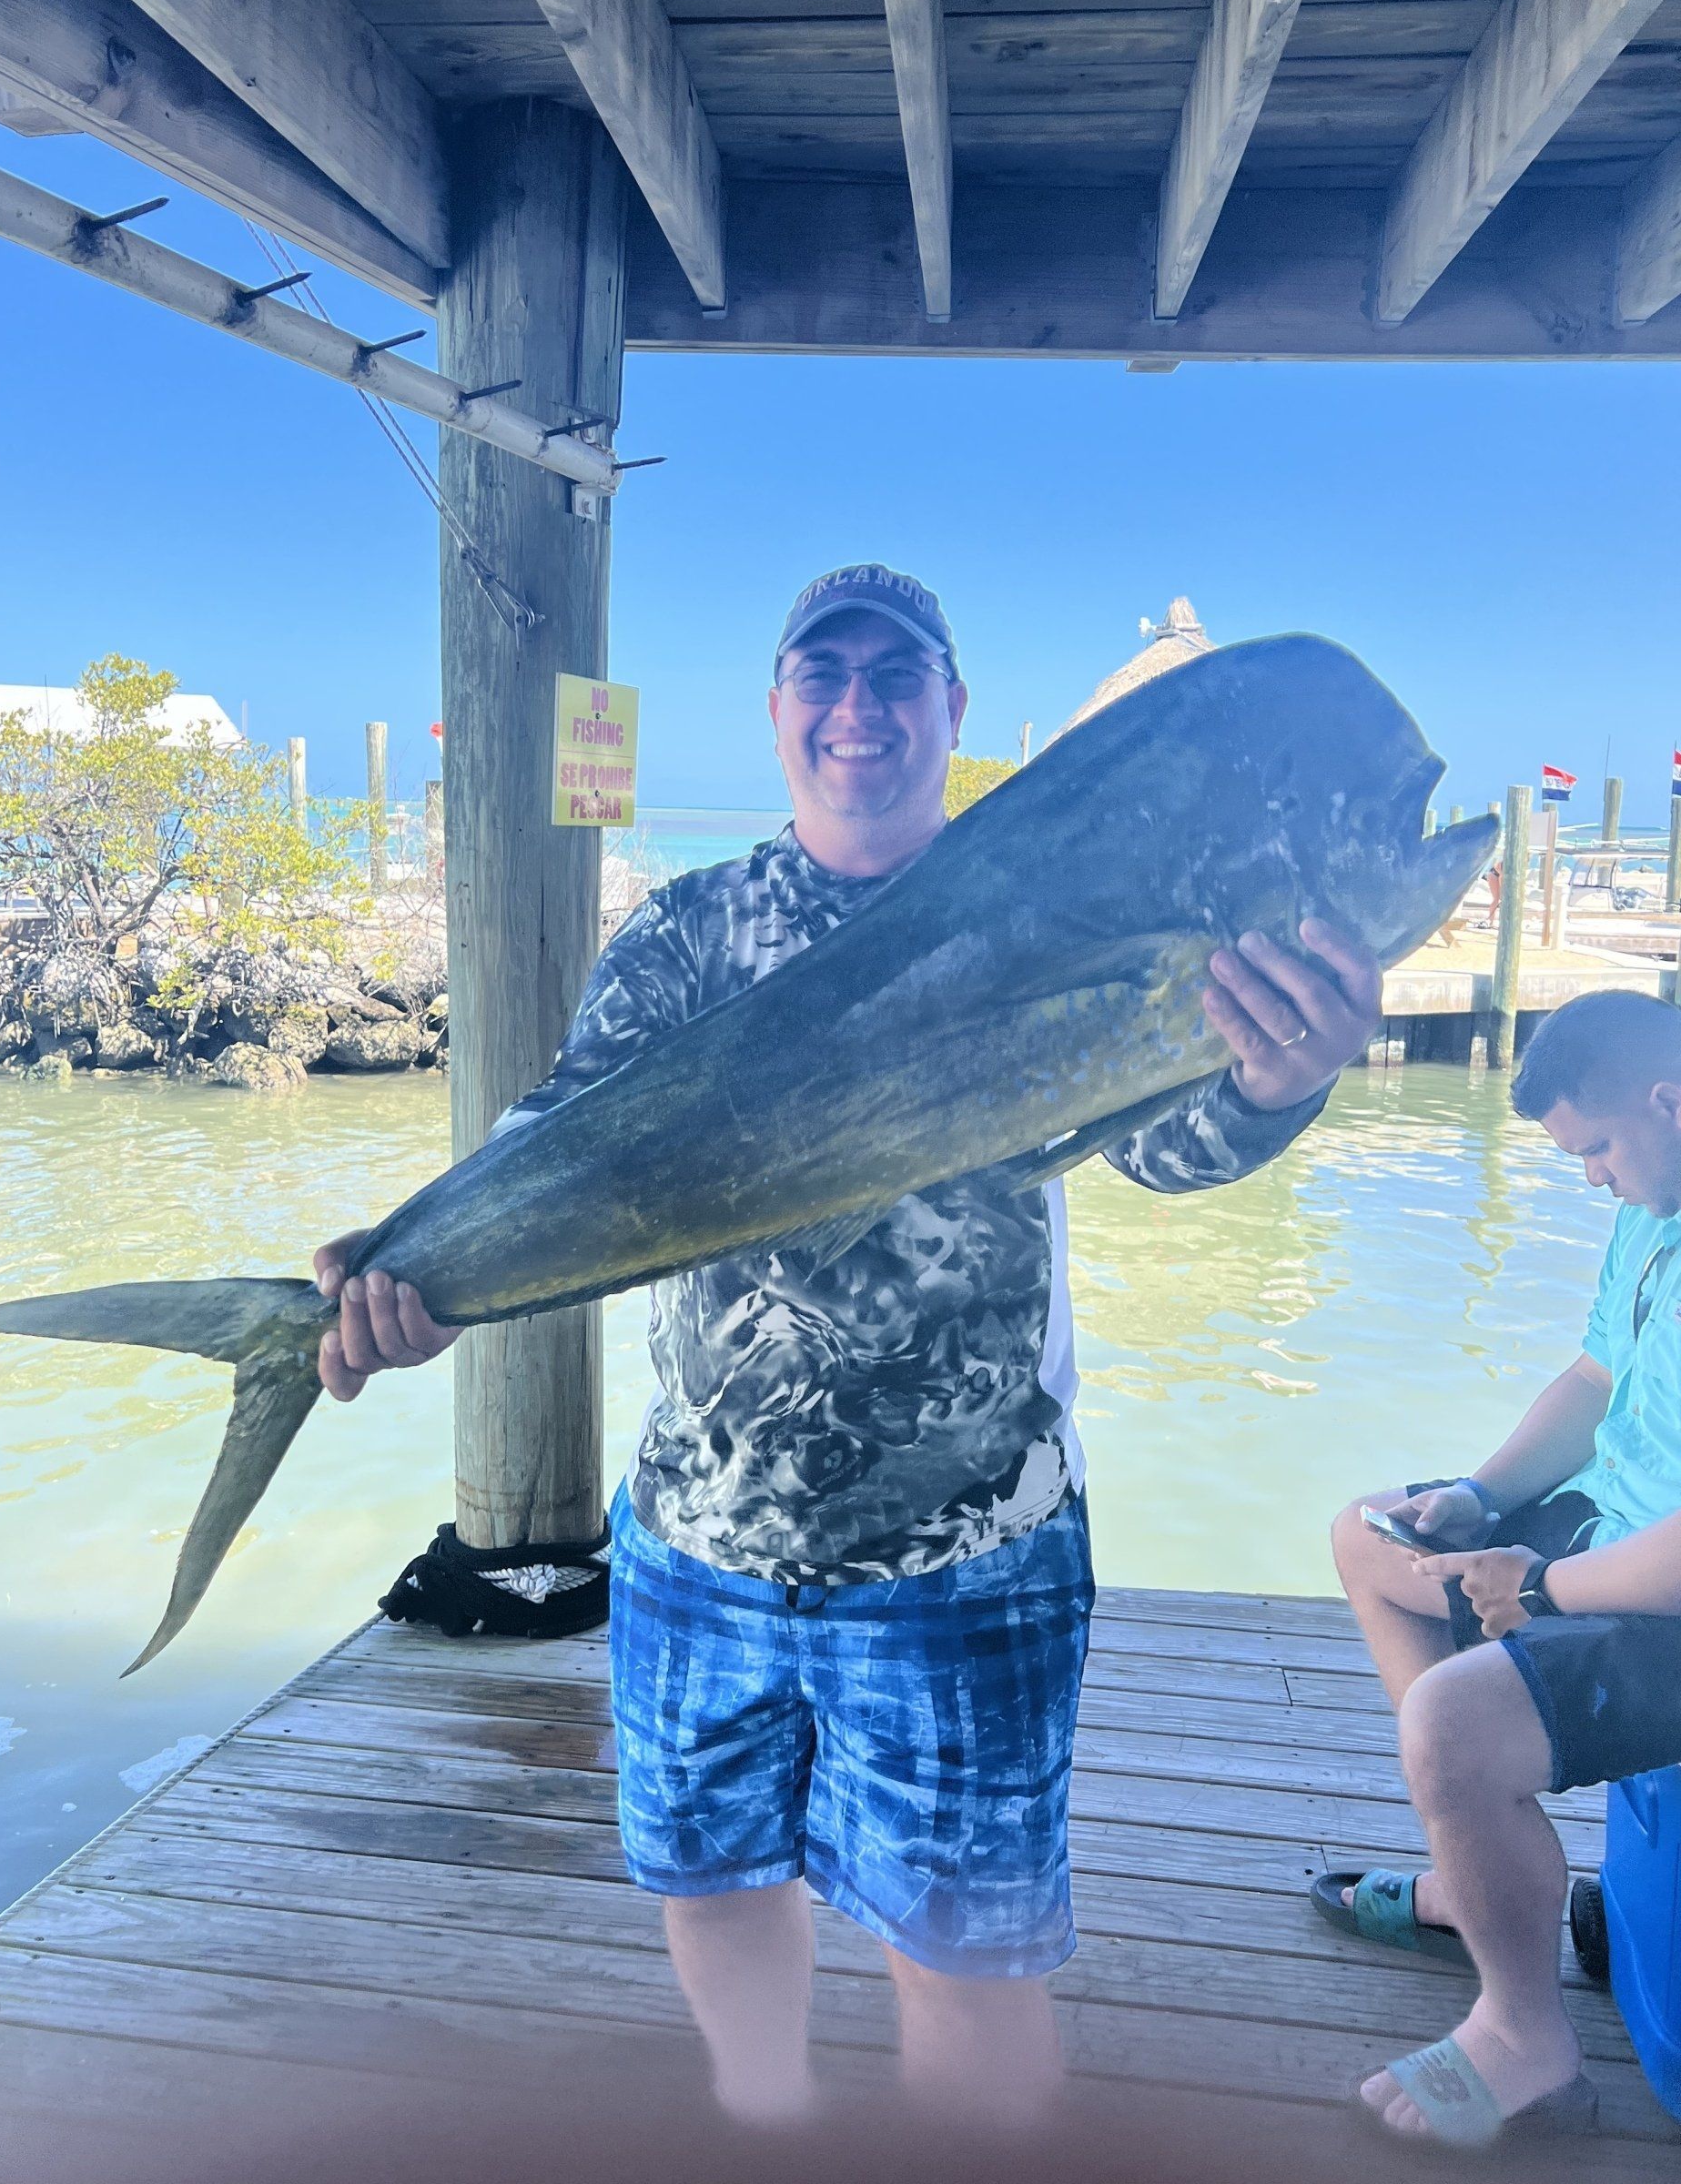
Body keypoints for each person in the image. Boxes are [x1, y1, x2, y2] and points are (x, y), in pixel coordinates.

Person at [315, 566, 1382, 2125]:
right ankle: (765, 2127)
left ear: (956, 709)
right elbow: (567, 1135)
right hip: (697, 1546)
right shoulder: (688, 932)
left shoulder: (1051, 906)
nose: (860, 705)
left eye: (901, 674)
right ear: (775, 713)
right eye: (826, 671)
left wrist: (1281, 1080)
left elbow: (1160, 1148)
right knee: (716, 1894)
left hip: (965, 1557)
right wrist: (417, 1269)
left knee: (970, 1968)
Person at [1325, 988, 1681, 2150]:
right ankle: (1483, 1884)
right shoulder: (1653, 1205)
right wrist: (1479, 1498)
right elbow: (1591, 1384)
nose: (1590, 1179)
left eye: (1596, 1149)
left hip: (1660, 1589)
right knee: (1370, 1537)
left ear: (1668, 1099)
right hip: (1608, 1533)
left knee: (1450, 1726)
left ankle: (1526, 2036)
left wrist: (1536, 1589)